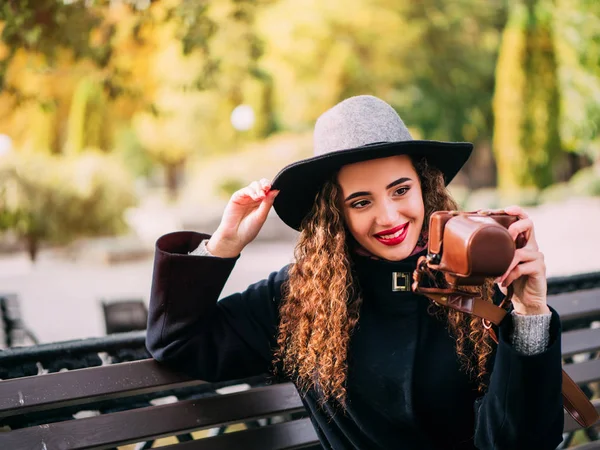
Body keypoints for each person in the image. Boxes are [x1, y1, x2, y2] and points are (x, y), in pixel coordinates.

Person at [146, 95, 563, 449]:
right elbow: (178, 339)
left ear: (425, 187)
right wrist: (223, 245)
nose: (388, 216)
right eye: (362, 201)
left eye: (400, 190)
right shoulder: (302, 296)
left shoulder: (478, 277)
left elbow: (523, 442)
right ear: (336, 214)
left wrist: (529, 314)